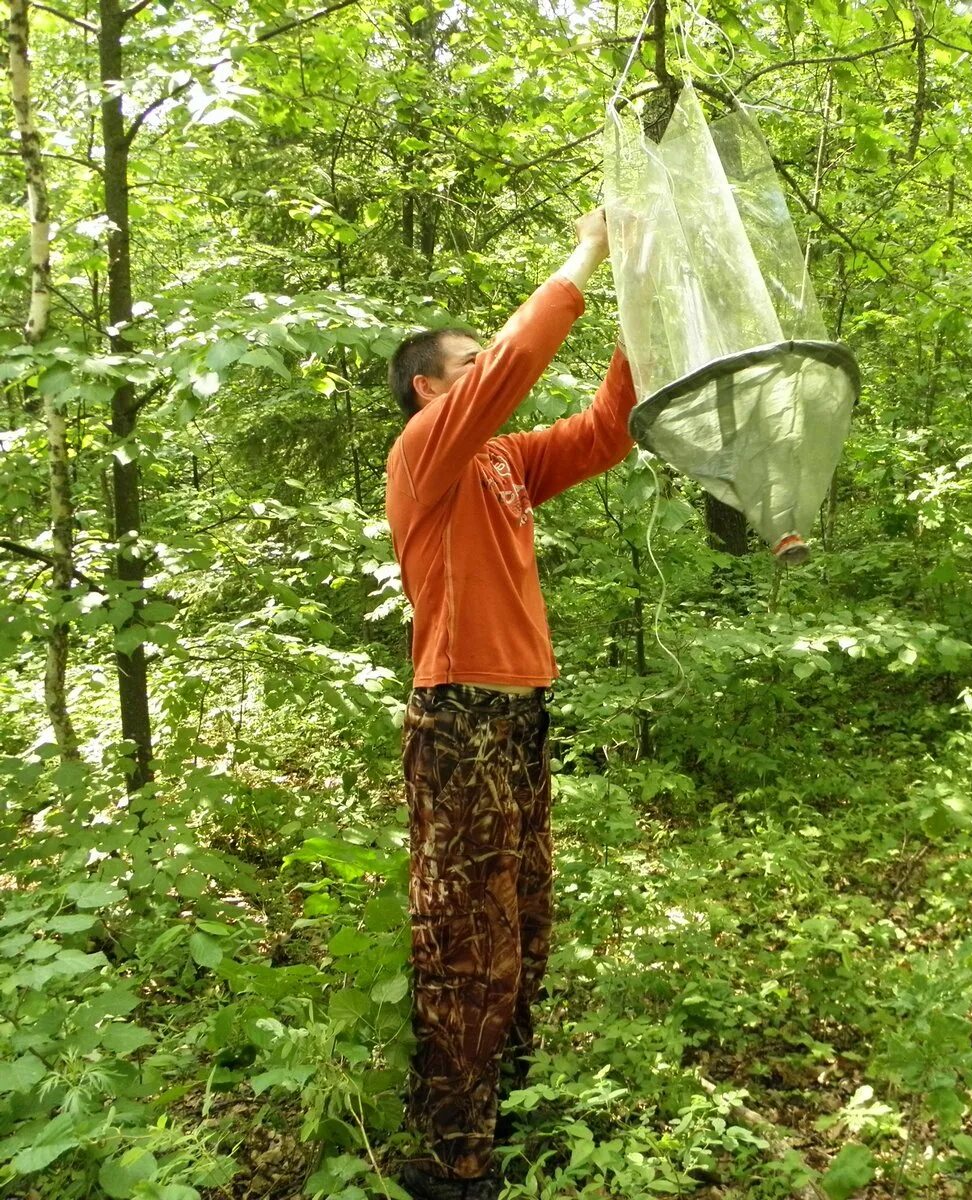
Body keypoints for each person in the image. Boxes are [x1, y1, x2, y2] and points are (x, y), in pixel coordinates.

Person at [384, 208, 636, 1200]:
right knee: (465, 945)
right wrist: (587, 254)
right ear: (429, 388)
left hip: (519, 720)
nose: (485, 364)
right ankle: (451, 1158)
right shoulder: (426, 453)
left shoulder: (501, 462)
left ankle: (507, 1106)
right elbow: (514, 365)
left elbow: (606, 432)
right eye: (468, 361)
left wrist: (640, 314)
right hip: (458, 722)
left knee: (524, 922)